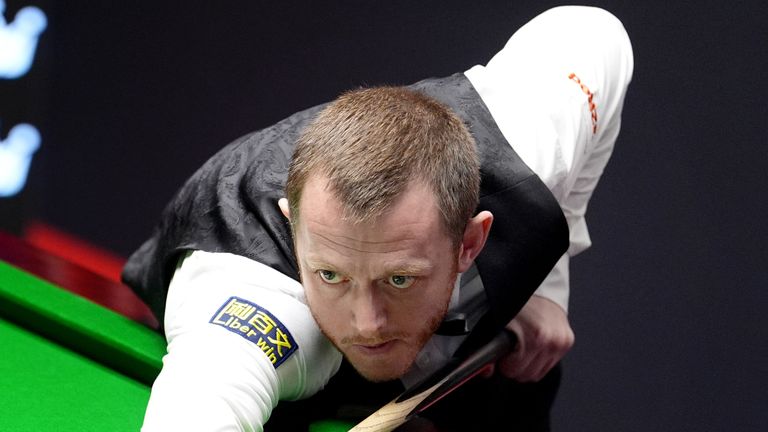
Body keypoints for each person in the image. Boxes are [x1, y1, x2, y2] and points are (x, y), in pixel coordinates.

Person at [124, 6, 633, 431]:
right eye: (332, 275)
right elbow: (208, 399)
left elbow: (596, 32)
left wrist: (546, 286)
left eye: (399, 278)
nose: (367, 322)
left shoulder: (533, 139)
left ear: (469, 242)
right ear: (292, 225)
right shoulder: (259, 299)